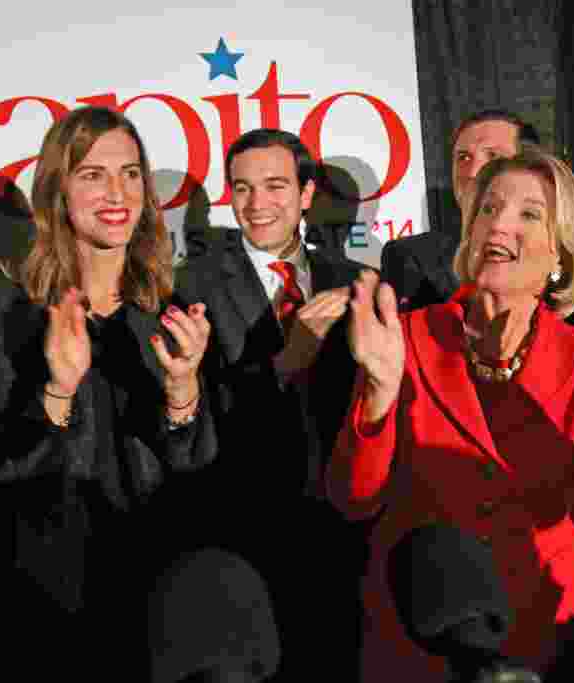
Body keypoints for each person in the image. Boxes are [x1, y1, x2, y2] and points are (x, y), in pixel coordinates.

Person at [328, 147, 574, 681]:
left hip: (537, 634)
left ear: (559, 254)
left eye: (529, 213)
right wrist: (381, 392)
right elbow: (353, 499)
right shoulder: (404, 337)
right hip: (417, 636)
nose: (499, 222)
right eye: (488, 208)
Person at [0, 106, 216, 638]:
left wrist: (184, 387)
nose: (117, 194)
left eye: (130, 174)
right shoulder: (5, 316)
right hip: (51, 602)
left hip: (163, 595)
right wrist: (59, 389)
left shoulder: (172, 311)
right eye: (93, 175)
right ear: (58, 192)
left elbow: (201, 478)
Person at [175, 128, 367, 680]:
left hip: (349, 523)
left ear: (307, 194)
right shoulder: (193, 286)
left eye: (275, 186)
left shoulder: (354, 281)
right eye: (242, 188)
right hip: (250, 524)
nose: (257, 205)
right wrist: (287, 360)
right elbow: (194, 412)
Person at [380, 109, 540, 311]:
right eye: (463, 158)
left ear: (532, 168)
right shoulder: (411, 258)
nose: (473, 172)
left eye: (493, 156)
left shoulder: (564, 258)